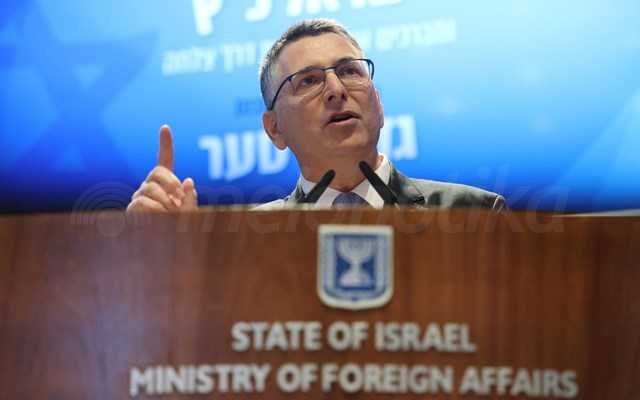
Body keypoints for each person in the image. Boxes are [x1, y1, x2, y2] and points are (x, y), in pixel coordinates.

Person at [126, 19, 505, 212]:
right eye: (308, 80)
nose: (336, 89)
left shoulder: (476, 214)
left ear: (378, 102)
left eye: (350, 71)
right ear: (274, 129)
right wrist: (172, 249)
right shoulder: (244, 239)